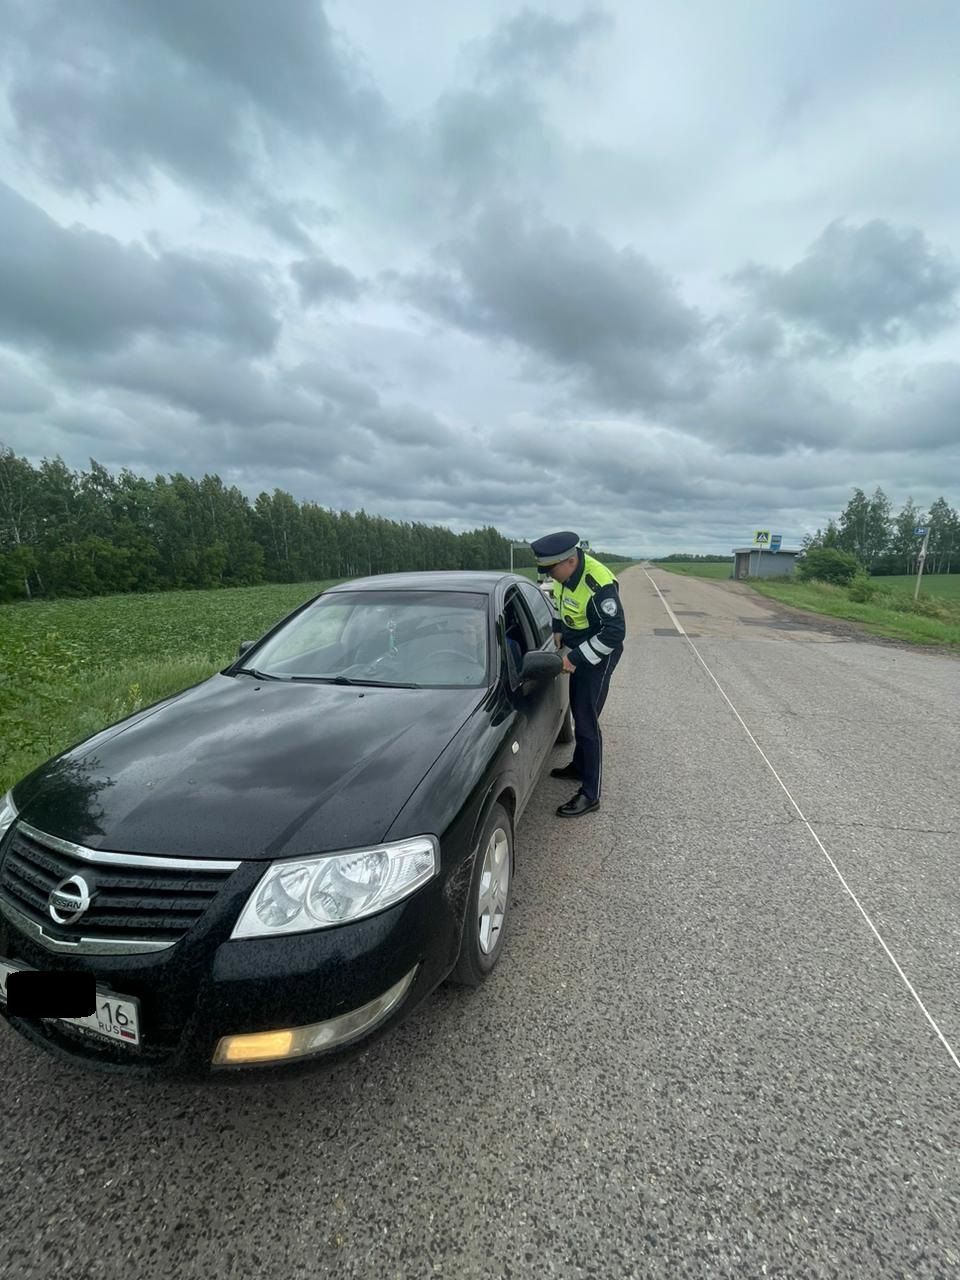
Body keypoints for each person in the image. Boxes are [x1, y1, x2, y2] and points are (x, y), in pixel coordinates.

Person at [529, 531, 625, 818]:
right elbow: (559, 600)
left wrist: (576, 656)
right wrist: (558, 627)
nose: (550, 575)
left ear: (570, 561)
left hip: (599, 653)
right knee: (578, 712)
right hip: (578, 646)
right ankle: (578, 766)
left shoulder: (599, 583)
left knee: (586, 722)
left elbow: (615, 632)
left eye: (552, 570)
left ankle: (590, 793)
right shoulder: (563, 576)